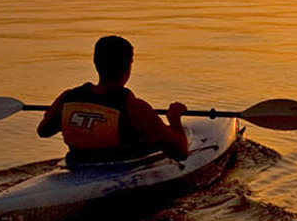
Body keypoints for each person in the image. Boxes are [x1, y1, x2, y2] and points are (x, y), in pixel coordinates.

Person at [37, 36, 189, 165]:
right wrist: (174, 119)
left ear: (95, 63)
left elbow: (44, 131)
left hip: (79, 163)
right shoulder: (136, 108)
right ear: (128, 67)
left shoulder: (68, 98)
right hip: (122, 167)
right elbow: (181, 153)